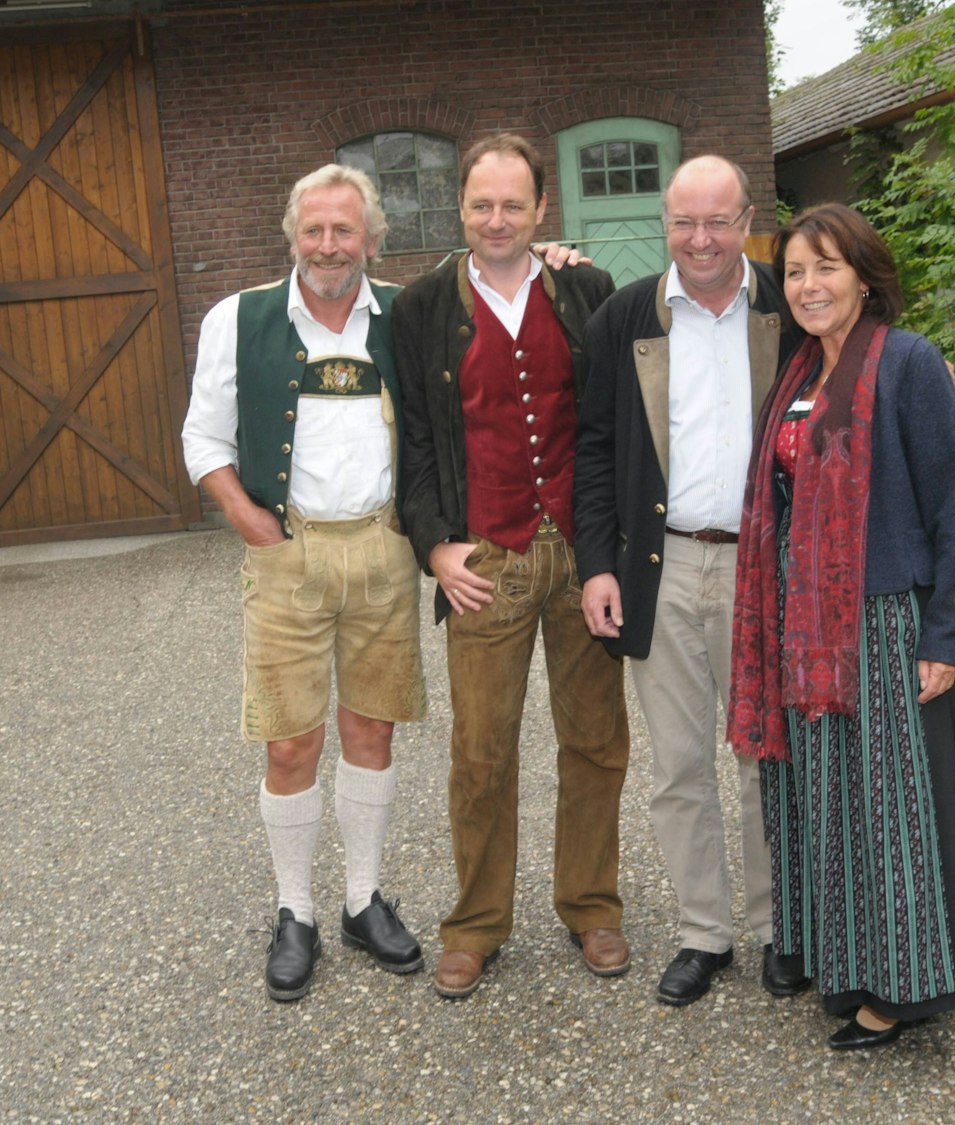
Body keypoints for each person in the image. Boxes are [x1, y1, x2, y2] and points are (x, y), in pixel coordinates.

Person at [727, 203, 955, 1049]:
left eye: (827, 268)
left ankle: (906, 990)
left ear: (864, 274)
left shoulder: (910, 363)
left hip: (886, 620)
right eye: (797, 272)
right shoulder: (802, 370)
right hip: (808, 626)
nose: (810, 286)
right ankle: (851, 965)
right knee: (834, 807)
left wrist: (945, 636)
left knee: (896, 813)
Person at [181, 164, 428, 1002]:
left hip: (384, 551)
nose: (329, 246)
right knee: (290, 739)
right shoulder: (238, 317)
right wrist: (249, 520)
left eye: (345, 231)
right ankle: (296, 910)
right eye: (314, 231)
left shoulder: (406, 312)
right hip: (288, 554)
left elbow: (495, 288)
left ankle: (362, 896)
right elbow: (203, 438)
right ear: (291, 236)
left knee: (374, 731)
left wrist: (555, 258)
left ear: (372, 239)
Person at [394, 133, 629, 1000]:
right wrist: (435, 544)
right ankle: (477, 923)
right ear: (461, 208)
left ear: (541, 211)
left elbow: (613, 423)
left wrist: (608, 548)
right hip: (483, 559)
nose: (498, 219)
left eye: (514, 205)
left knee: (596, 741)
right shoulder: (421, 308)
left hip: (580, 553)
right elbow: (414, 442)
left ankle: (591, 905)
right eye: (481, 204)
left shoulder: (588, 289)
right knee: (481, 752)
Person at [574, 155, 810, 1006]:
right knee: (679, 764)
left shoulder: (790, 306)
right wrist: (596, 563)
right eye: (684, 222)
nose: (702, 239)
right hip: (660, 566)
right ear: (664, 220)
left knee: (764, 753)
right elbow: (594, 450)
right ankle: (703, 933)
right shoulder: (625, 315)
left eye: (719, 221)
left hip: (764, 567)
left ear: (748, 217)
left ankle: (783, 926)